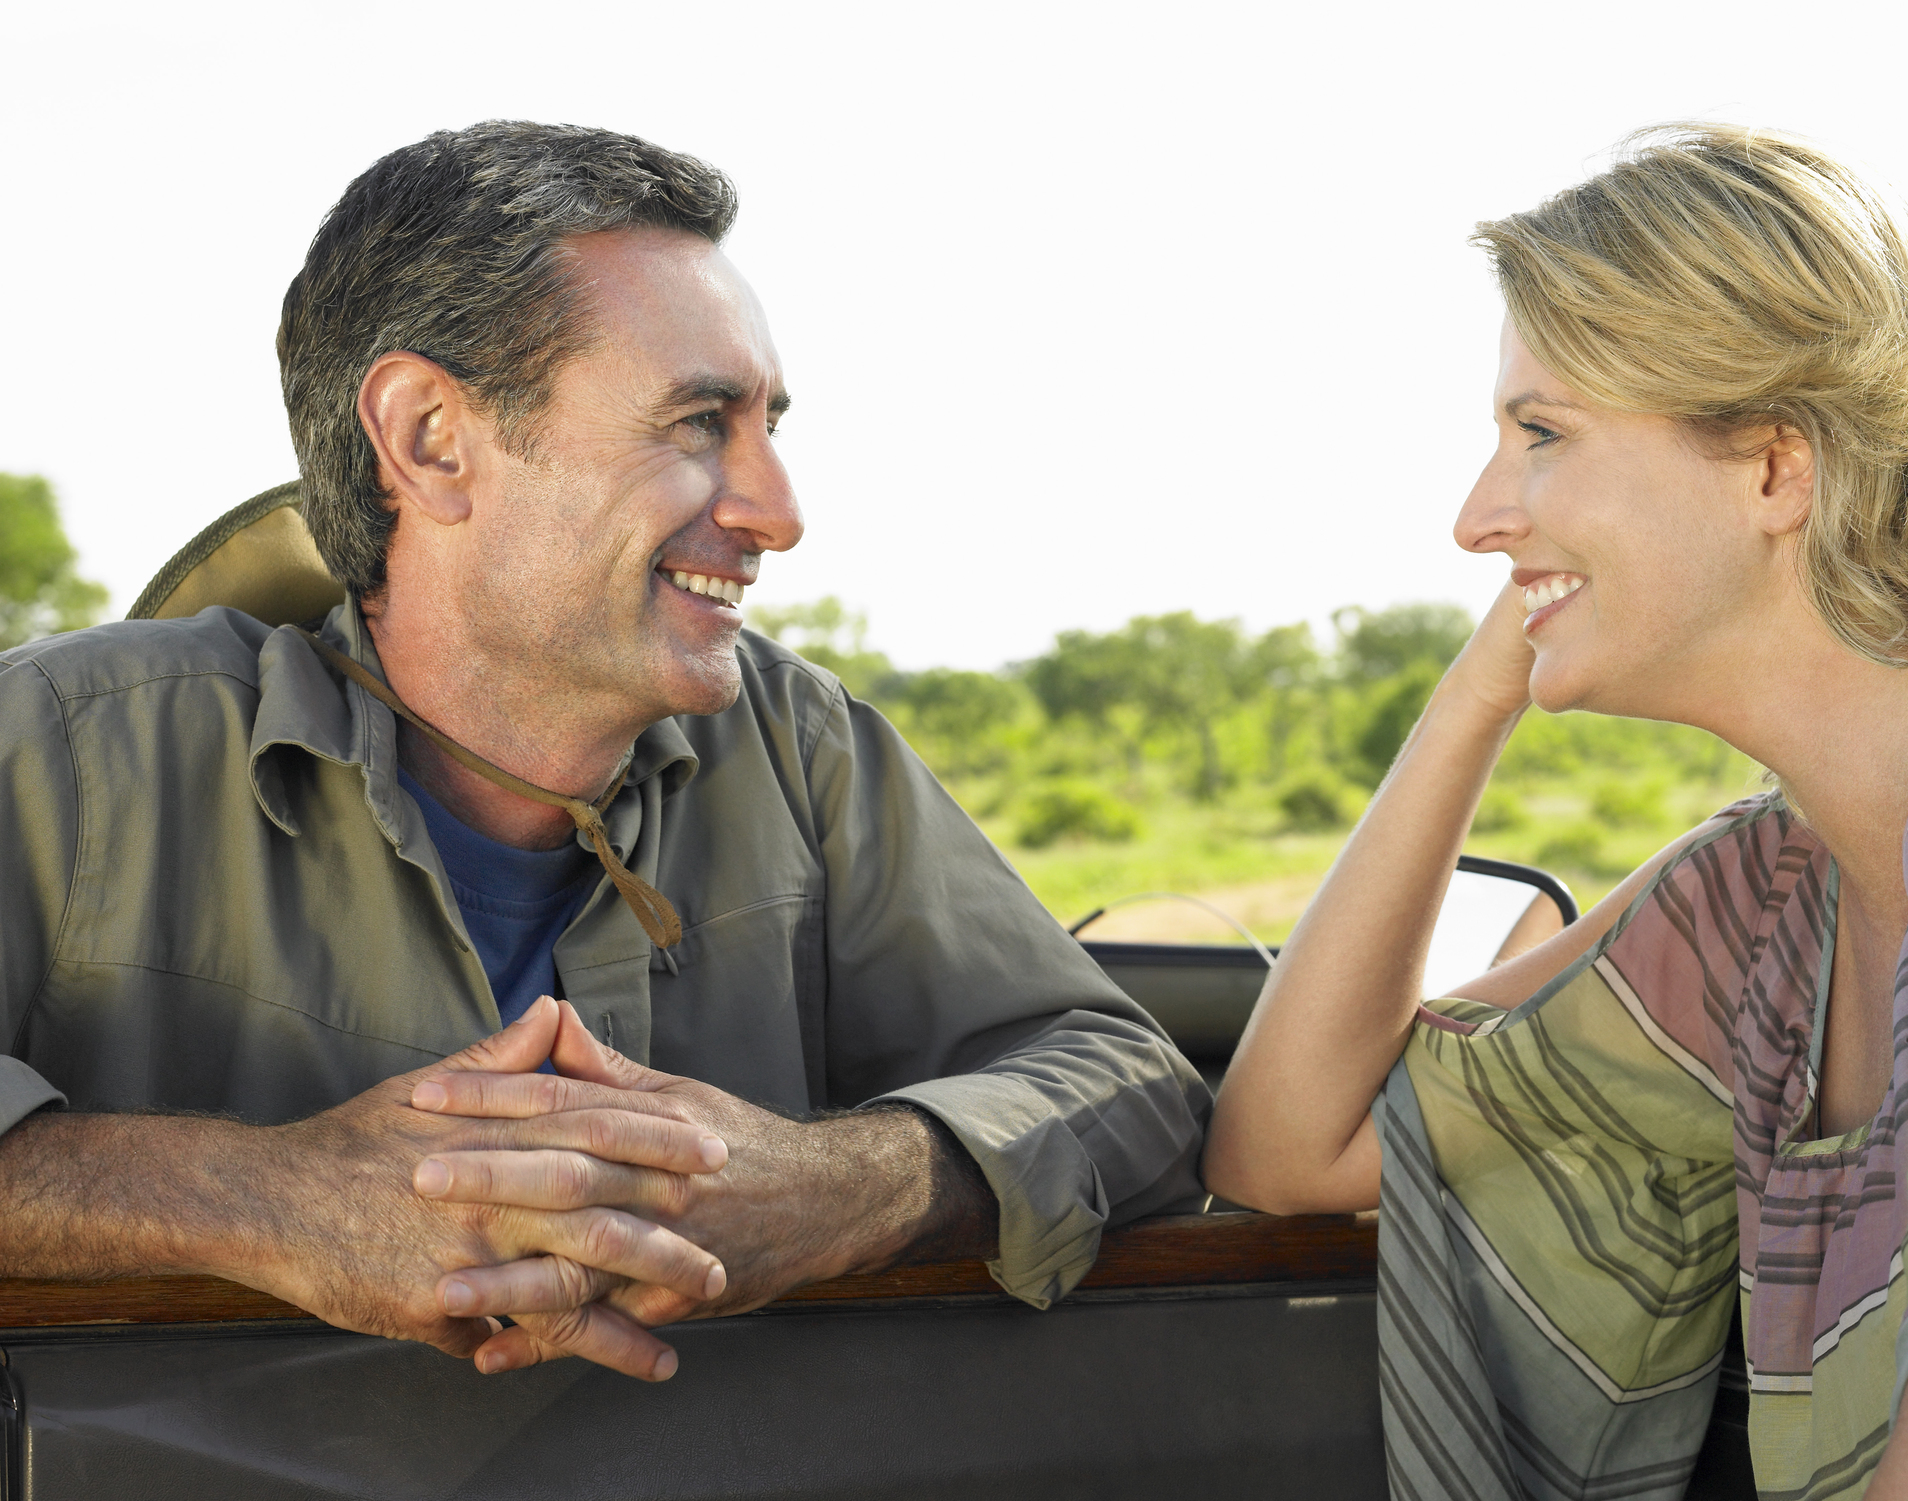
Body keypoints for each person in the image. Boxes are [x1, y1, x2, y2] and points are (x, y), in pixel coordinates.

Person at [0, 121, 1208, 1383]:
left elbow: (1129, 1083)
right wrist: (257, 1193)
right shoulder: (67, 750)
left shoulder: (800, 747)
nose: (777, 513)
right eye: (697, 421)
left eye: (767, 426)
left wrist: (833, 1183)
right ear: (428, 439)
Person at [1204, 124, 1908, 1499]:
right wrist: (1478, 696)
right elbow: (1288, 1150)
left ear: (1774, 467)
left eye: (1543, 434)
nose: (1475, 517)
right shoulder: (1767, 900)